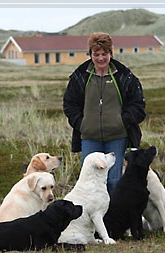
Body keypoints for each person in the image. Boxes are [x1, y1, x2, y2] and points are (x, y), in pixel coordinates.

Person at [63, 32, 146, 193]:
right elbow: (69, 104)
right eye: (96, 54)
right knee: (89, 183)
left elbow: (138, 105)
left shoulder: (125, 76)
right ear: (90, 55)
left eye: (104, 54)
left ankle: (112, 218)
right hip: (89, 138)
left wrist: (122, 122)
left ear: (111, 54)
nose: (100, 58)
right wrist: (82, 124)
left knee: (113, 182)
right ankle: (90, 218)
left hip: (117, 137)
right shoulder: (80, 76)